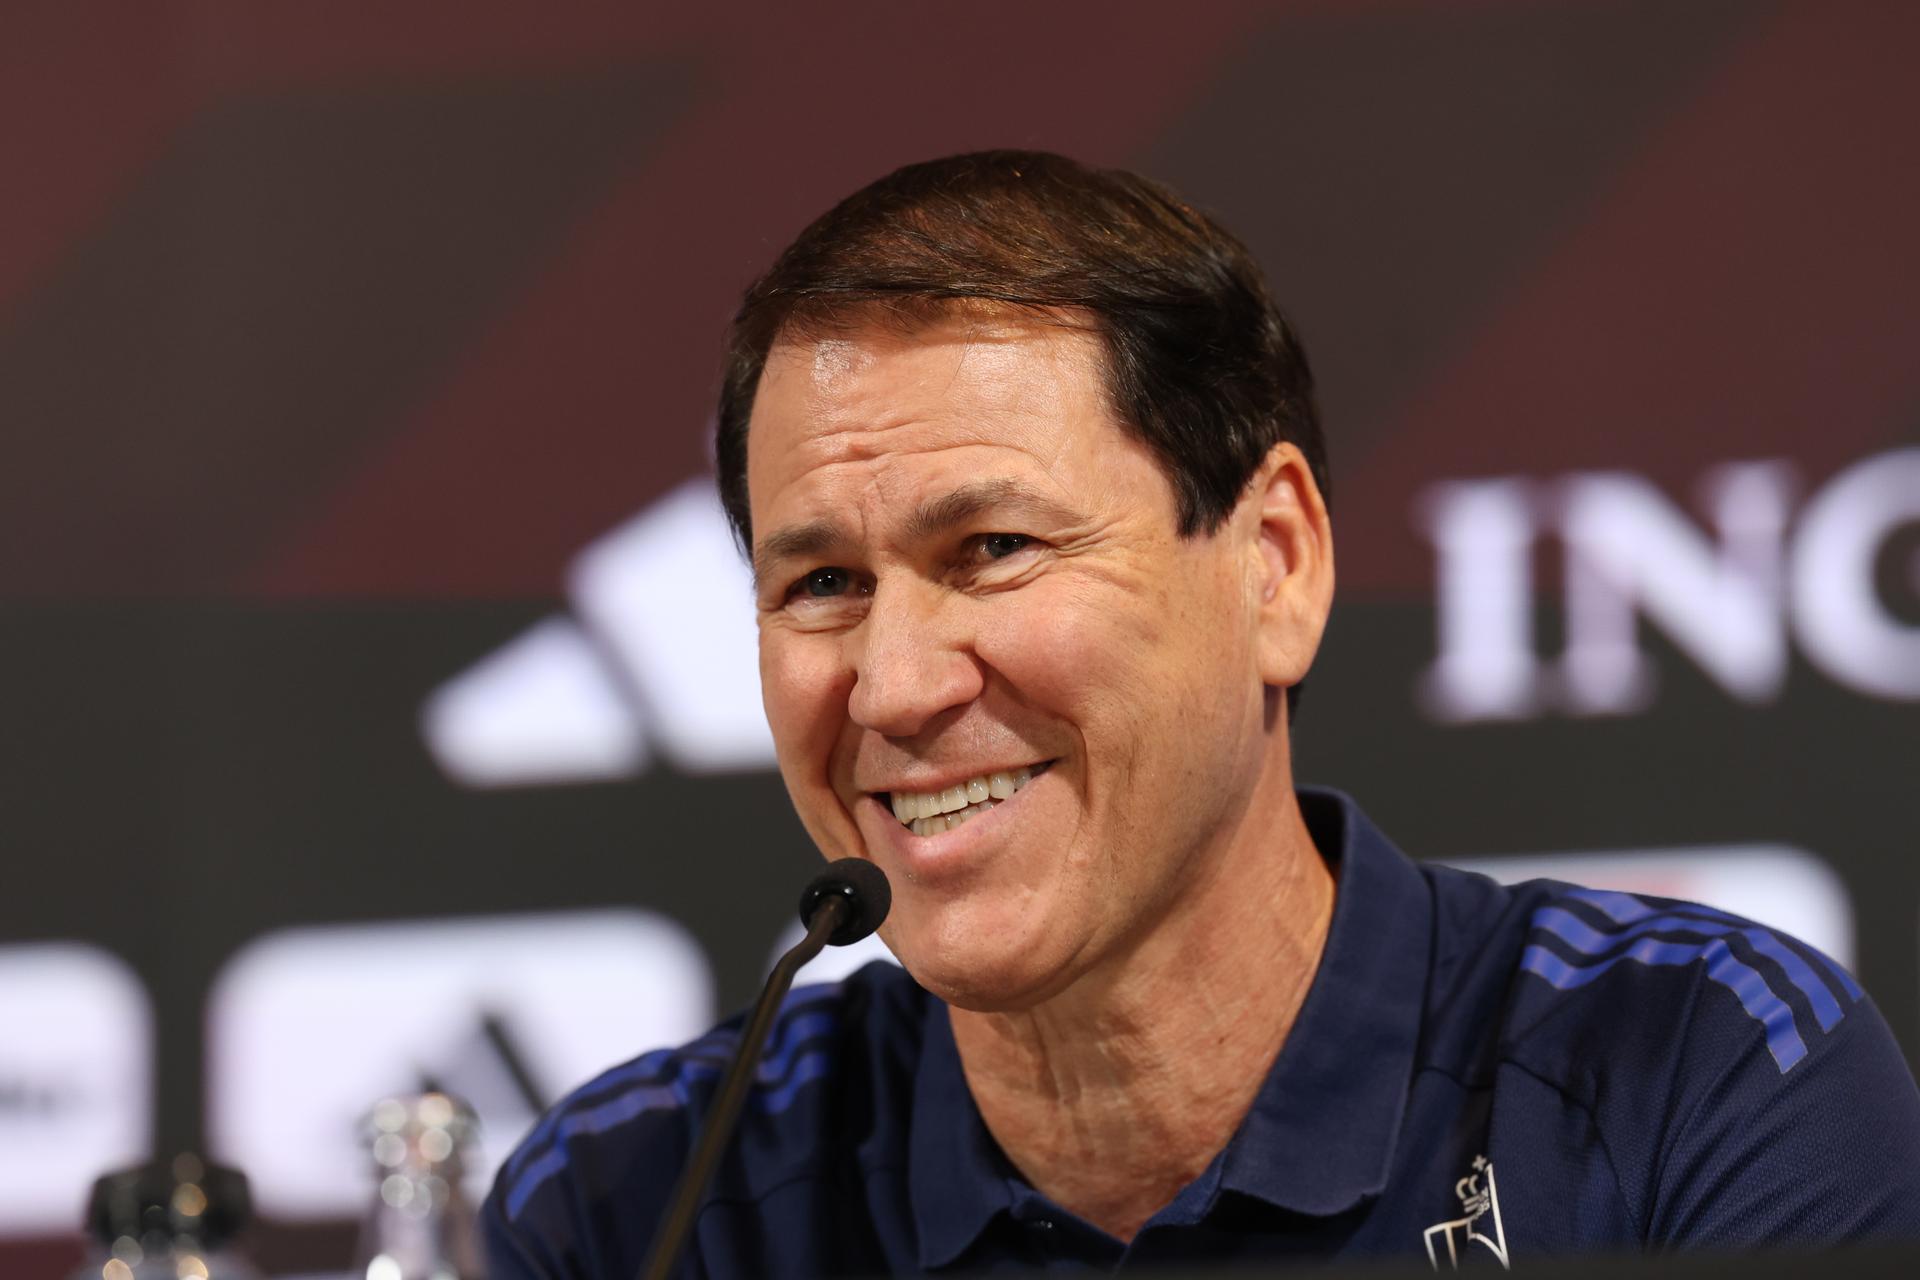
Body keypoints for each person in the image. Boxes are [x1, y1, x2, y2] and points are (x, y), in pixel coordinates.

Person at [482, 151, 1920, 1277]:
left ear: (1274, 565)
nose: (900, 683)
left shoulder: (1693, 1080)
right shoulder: (643, 1209)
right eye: (823, 582)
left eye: (994, 549)